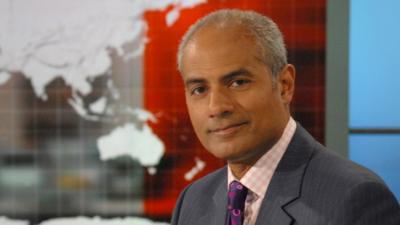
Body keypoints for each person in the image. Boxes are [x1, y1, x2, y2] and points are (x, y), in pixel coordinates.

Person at [171, 9, 400, 225]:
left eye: (238, 82)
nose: (217, 107)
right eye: (199, 89)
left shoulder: (354, 200)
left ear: (284, 85)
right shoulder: (192, 201)